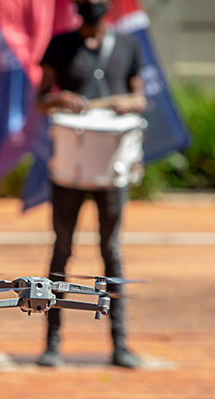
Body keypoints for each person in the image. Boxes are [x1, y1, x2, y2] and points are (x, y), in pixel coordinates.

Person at [36, 0, 147, 368]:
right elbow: (41, 100)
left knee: (111, 251)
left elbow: (139, 97)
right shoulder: (61, 45)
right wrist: (60, 99)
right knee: (62, 250)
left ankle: (119, 344)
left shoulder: (127, 46)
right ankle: (52, 342)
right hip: (71, 167)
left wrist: (121, 103)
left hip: (110, 167)